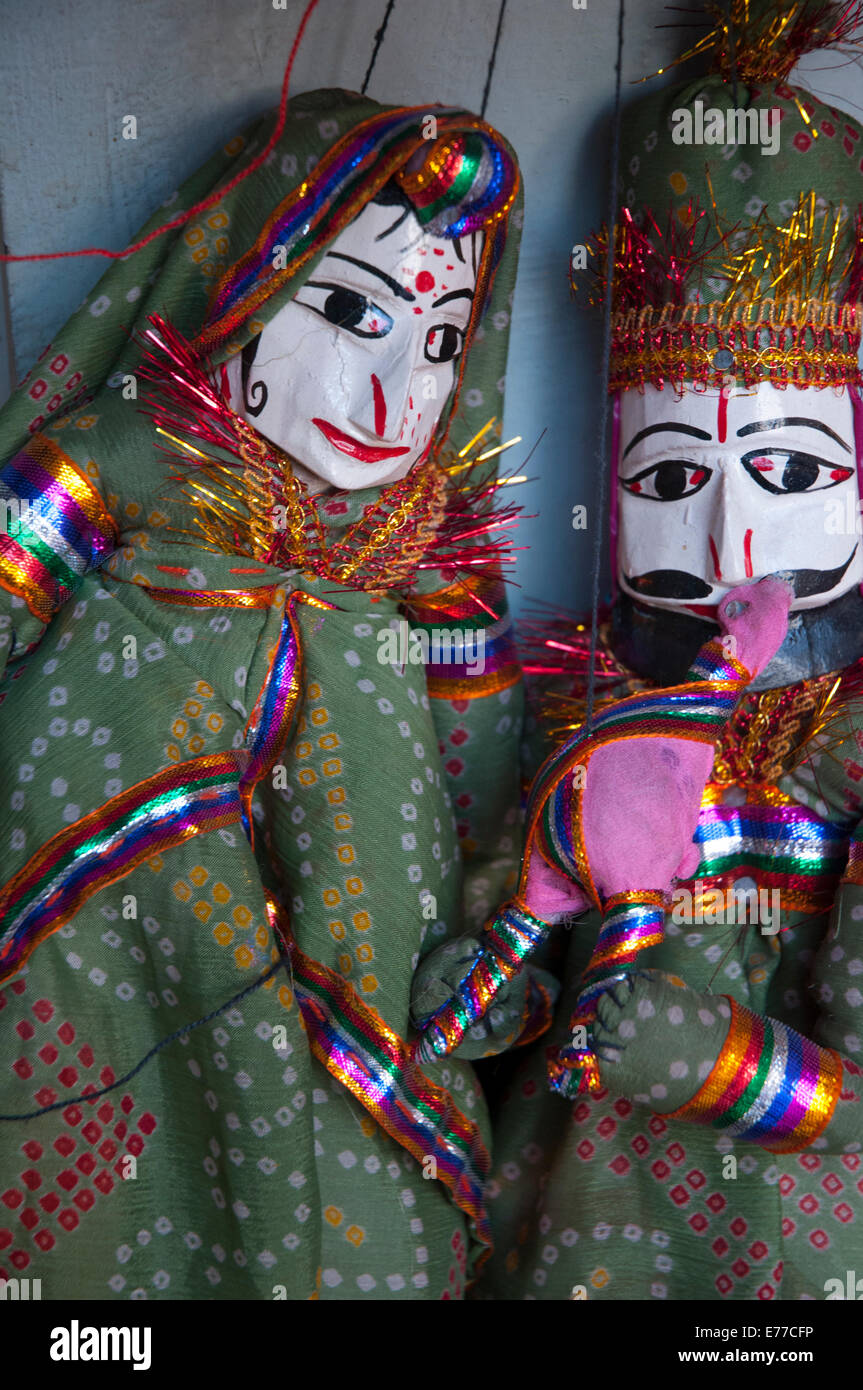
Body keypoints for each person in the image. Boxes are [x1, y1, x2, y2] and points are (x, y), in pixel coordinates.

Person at [0, 87, 526, 1300]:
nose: (398, 393)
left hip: (374, 973)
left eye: (442, 340)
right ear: (244, 279)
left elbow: (489, 772)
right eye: (351, 311)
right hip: (110, 936)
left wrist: (501, 927)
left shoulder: (429, 559)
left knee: (350, 1212)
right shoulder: (133, 454)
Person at [412, 1, 863, 1300]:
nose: (725, 534)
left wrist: (704, 1055)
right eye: (670, 471)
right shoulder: (579, 704)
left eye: (784, 469)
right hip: (563, 1227)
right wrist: (489, 987)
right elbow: (517, 928)